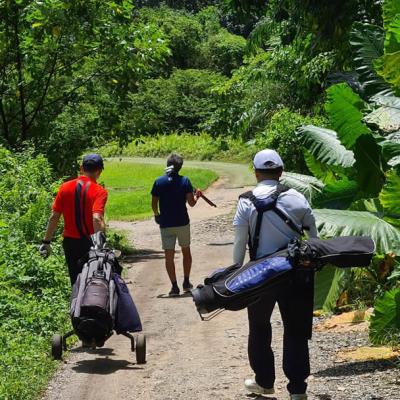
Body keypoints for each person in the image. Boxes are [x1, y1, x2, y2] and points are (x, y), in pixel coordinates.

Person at [232, 149, 318, 400]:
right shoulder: (298, 199)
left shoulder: (246, 201)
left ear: (256, 173)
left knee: (259, 327)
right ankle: (298, 390)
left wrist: (237, 272)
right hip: (295, 274)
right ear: (281, 173)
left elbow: (239, 244)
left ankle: (264, 381)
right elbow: (314, 240)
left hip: (260, 275)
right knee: (296, 329)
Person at [39, 154, 108, 285]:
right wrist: (100, 245)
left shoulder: (64, 187)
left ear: (81, 168)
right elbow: (97, 219)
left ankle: (75, 304)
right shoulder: (100, 191)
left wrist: (46, 241)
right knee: (94, 281)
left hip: (70, 243)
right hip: (90, 243)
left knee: (75, 281)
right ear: (99, 171)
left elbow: (54, 217)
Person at [151, 153, 201, 297]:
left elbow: (154, 203)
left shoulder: (159, 182)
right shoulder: (185, 181)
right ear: (180, 167)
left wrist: (156, 214)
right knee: (186, 251)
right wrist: (197, 195)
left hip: (166, 223)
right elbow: (191, 203)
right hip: (182, 222)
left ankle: (174, 287)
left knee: (169, 256)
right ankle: (186, 281)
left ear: (167, 165)